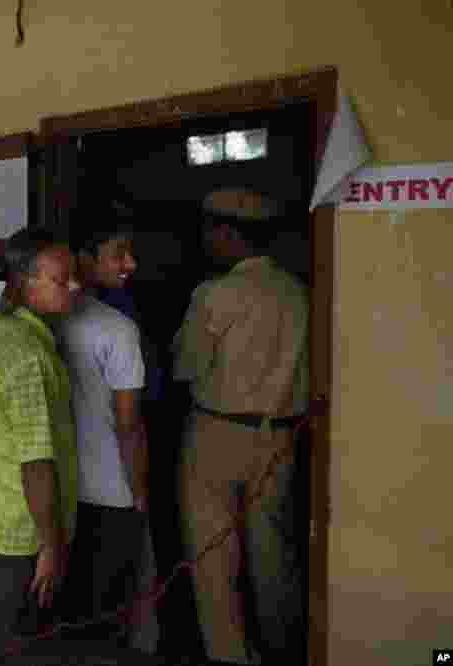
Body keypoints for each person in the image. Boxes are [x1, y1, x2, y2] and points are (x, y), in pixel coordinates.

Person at [173, 189, 308, 665]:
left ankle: (229, 656)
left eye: (211, 231)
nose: (208, 241)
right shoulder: (298, 291)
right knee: (273, 553)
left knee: (214, 557)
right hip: (282, 435)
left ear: (228, 235)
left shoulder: (216, 294)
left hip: (217, 433)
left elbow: (186, 367)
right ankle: (284, 650)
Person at [0, 227, 80, 635]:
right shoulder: (26, 355)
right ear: (25, 283)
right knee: (16, 639)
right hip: (26, 529)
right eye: (62, 280)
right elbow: (36, 463)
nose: (76, 286)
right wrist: (49, 544)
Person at [56, 222, 151, 643]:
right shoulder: (118, 330)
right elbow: (128, 425)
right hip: (112, 491)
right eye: (119, 252)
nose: (130, 264)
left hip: (59, 490)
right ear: (84, 258)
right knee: (104, 617)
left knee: (66, 614)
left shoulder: (40, 318)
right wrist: (141, 490)